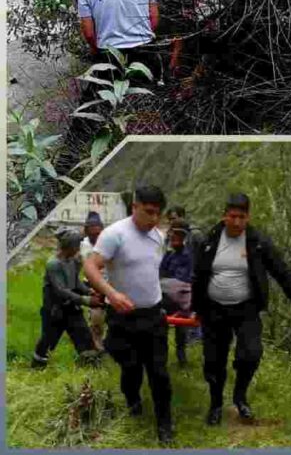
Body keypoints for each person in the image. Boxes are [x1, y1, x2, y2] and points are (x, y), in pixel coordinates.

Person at [192, 193, 291, 426]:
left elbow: (279, 270)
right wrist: (196, 308)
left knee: (251, 354)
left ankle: (240, 397)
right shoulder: (209, 240)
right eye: (232, 216)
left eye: (241, 217)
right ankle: (215, 405)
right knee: (213, 362)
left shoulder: (257, 241)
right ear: (224, 215)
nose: (236, 222)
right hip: (214, 311)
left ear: (248, 217)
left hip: (246, 309)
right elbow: (198, 276)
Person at [84, 185, 173, 444]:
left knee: (159, 372)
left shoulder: (158, 236)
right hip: (124, 317)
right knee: (131, 368)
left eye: (158, 213)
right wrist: (111, 294)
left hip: (154, 315)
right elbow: (90, 266)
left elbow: (150, 272)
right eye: (148, 212)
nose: (153, 219)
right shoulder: (115, 234)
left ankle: (165, 424)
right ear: (134, 207)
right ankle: (133, 400)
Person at [32, 228, 102, 368]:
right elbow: (61, 290)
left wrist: (89, 291)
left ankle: (90, 368)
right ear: (69, 245)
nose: (78, 248)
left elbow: (76, 282)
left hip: (71, 308)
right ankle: (37, 368)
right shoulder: (54, 264)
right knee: (48, 341)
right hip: (55, 310)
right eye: (77, 245)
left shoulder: (74, 261)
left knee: (84, 337)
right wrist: (86, 301)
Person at [160, 218, 194, 366]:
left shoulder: (189, 255)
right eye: (173, 234)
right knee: (162, 326)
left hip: (181, 299)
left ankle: (182, 358)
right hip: (167, 297)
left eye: (178, 235)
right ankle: (162, 357)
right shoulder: (169, 255)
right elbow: (161, 272)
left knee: (181, 330)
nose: (175, 238)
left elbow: (185, 280)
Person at [79, 211, 107, 351]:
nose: (96, 238)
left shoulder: (108, 244)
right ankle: (97, 347)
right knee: (96, 318)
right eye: (93, 234)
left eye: (99, 234)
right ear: (86, 232)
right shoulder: (82, 245)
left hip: (109, 284)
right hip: (91, 285)